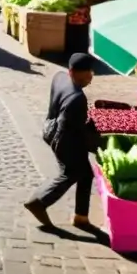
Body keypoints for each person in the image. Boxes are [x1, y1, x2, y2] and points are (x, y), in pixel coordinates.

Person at [24, 53, 99, 230]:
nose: (91, 77)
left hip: (52, 127)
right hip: (63, 139)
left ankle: (81, 217)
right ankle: (39, 201)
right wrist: (95, 142)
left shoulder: (60, 77)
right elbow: (72, 129)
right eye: (87, 73)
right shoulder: (77, 98)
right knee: (71, 173)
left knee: (86, 174)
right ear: (74, 72)